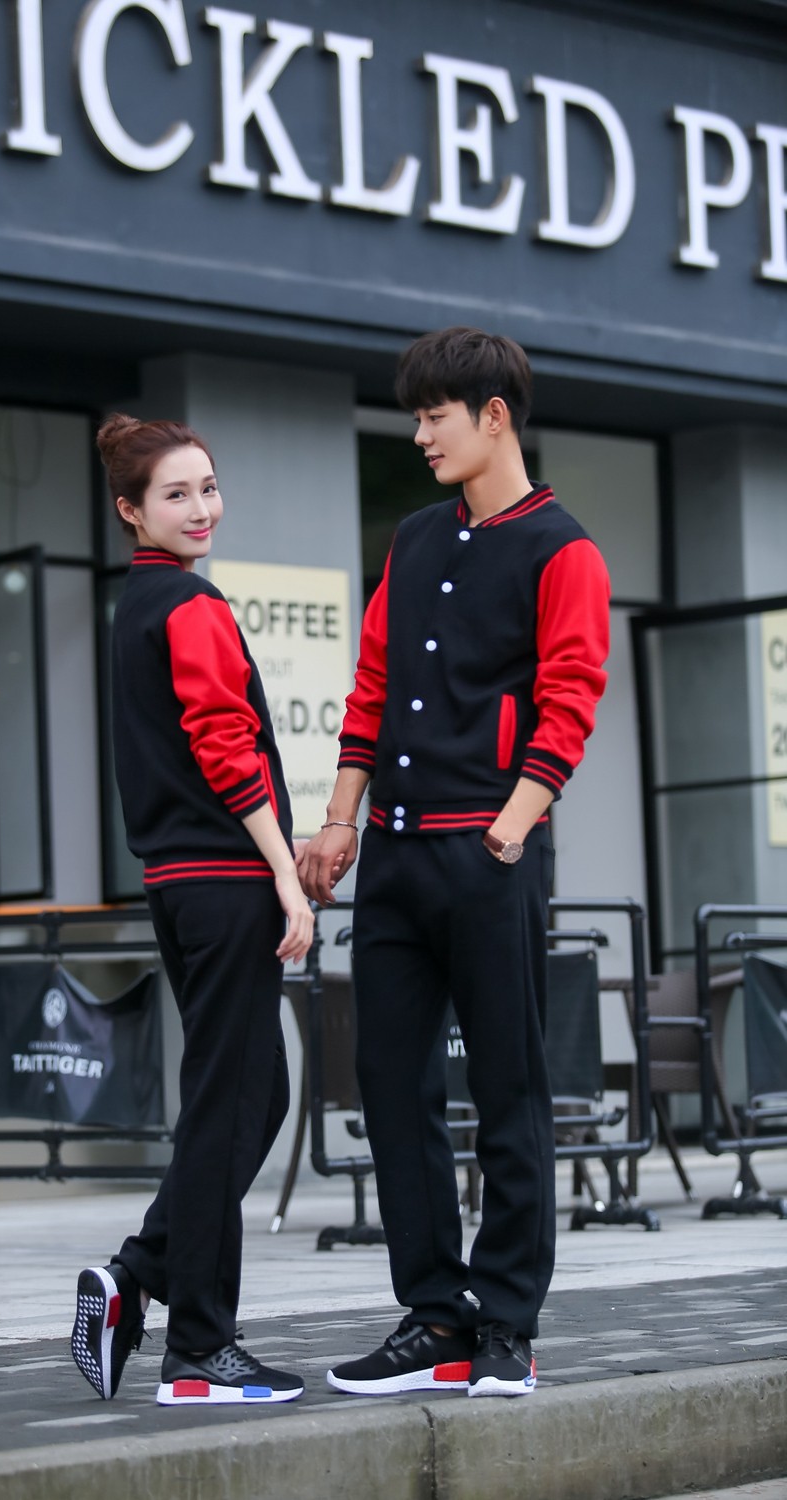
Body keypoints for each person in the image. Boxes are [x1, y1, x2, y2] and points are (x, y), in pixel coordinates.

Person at [298, 327, 611, 1399]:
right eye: (417, 416)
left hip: (489, 854)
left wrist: (509, 831)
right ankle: (434, 1316)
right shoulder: (416, 538)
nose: (420, 434)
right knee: (392, 1087)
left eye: (435, 415)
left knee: (510, 1089)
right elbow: (371, 686)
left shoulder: (563, 549)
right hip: (392, 859)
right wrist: (339, 822)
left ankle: (506, 1323)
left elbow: (570, 699)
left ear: (494, 417)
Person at [71, 414, 312, 1408]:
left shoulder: (137, 605)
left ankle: (137, 1276)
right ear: (130, 511)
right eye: (176, 494)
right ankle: (200, 1351)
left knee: (255, 1096)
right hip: (224, 883)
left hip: (179, 885)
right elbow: (225, 747)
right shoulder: (190, 605)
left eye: (208, 487)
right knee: (229, 1103)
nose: (202, 508)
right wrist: (286, 876)